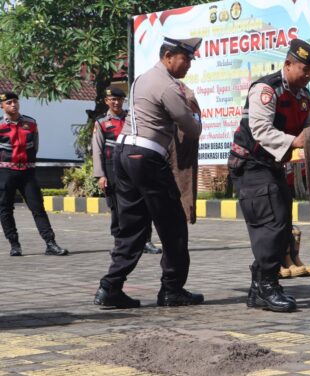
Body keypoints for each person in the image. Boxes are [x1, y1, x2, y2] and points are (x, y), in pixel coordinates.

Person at [93, 37, 203, 308]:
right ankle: (172, 289)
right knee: (173, 224)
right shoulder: (168, 86)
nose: (188, 65)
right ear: (168, 56)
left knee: (133, 226)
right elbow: (191, 128)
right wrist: (197, 115)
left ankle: (110, 287)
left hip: (124, 154)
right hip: (146, 158)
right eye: (185, 59)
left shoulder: (141, 79)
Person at [228, 38, 310, 312]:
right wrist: (294, 142)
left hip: (272, 166)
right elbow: (260, 130)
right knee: (271, 222)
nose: (308, 76)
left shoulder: (304, 98)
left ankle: (262, 286)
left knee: (282, 225)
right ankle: (266, 285)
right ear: (288, 64)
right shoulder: (266, 89)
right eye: (304, 69)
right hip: (250, 164)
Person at [92, 86, 162, 254]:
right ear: (106, 101)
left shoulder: (132, 118)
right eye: (113, 99)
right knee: (117, 207)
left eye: (119, 99)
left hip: (134, 165)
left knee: (143, 203)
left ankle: (145, 241)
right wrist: (100, 175)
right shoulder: (101, 122)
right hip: (111, 167)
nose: (116, 102)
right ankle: (120, 243)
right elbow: (97, 149)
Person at [0, 91, 68, 256]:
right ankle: (15, 245)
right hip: (5, 172)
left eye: (15, 101)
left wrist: (29, 163)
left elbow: (35, 146)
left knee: (38, 208)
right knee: (5, 209)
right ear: (2, 105)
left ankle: (50, 243)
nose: (13, 105)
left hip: (27, 172)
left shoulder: (31, 123)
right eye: (9, 102)